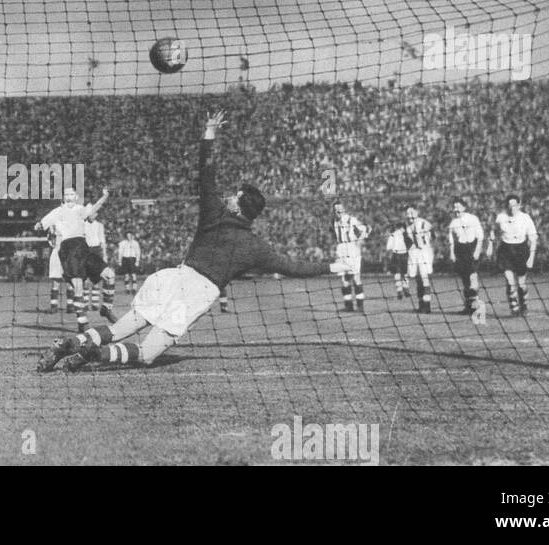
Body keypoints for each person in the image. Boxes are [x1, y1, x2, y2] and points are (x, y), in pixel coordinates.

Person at [37, 110, 348, 372]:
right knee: (145, 355)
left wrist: (209, 132)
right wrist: (335, 266)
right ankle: (94, 355)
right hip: (197, 294)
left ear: (237, 206)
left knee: (119, 329)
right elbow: (295, 268)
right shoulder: (256, 248)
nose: (228, 195)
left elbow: (206, 172)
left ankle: (71, 344)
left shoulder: (213, 213)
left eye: (234, 195)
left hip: (172, 278)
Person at [34, 186, 116, 332]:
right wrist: (39, 225)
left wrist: (104, 197)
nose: (69, 196)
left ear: (76, 196)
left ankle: (106, 308)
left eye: (71, 194)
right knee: (78, 286)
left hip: (84, 247)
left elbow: (92, 215)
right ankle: (82, 322)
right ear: (63, 197)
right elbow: (41, 224)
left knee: (110, 275)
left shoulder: (80, 209)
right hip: (68, 249)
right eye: (66, 194)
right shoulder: (57, 211)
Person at [487, 194, 538, 316]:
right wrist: (489, 245)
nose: (512, 208)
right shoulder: (500, 217)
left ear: (519, 205)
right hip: (505, 250)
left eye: (514, 205)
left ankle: (524, 305)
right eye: (509, 205)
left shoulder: (526, 218)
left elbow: (533, 239)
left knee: (521, 284)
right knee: (510, 283)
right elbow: (493, 231)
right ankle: (514, 308)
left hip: (521, 250)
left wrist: (531, 258)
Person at [446, 198, 484, 315]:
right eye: (454, 207)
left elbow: (480, 236)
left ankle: (475, 305)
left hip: (471, 248)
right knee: (465, 280)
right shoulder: (453, 223)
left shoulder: (473, 219)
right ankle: (468, 306)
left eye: (458, 207)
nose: (456, 209)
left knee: (473, 277)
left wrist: (477, 250)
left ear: (464, 207)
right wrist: (452, 253)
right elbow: (451, 241)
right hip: (460, 250)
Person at [332, 202, 369, 313]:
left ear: (344, 209)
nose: (338, 211)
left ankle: (360, 306)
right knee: (344, 279)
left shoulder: (351, 220)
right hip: (341, 249)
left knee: (355, 277)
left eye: (340, 209)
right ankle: (348, 306)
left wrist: (358, 243)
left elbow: (364, 231)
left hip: (351, 248)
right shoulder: (335, 221)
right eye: (336, 210)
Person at [403, 205, 435, 314]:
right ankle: (421, 304)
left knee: (424, 277)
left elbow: (432, 234)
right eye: (408, 213)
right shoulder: (407, 227)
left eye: (412, 213)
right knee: (417, 279)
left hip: (424, 252)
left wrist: (426, 242)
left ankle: (427, 305)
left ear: (417, 213)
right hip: (414, 253)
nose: (409, 216)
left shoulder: (423, 223)